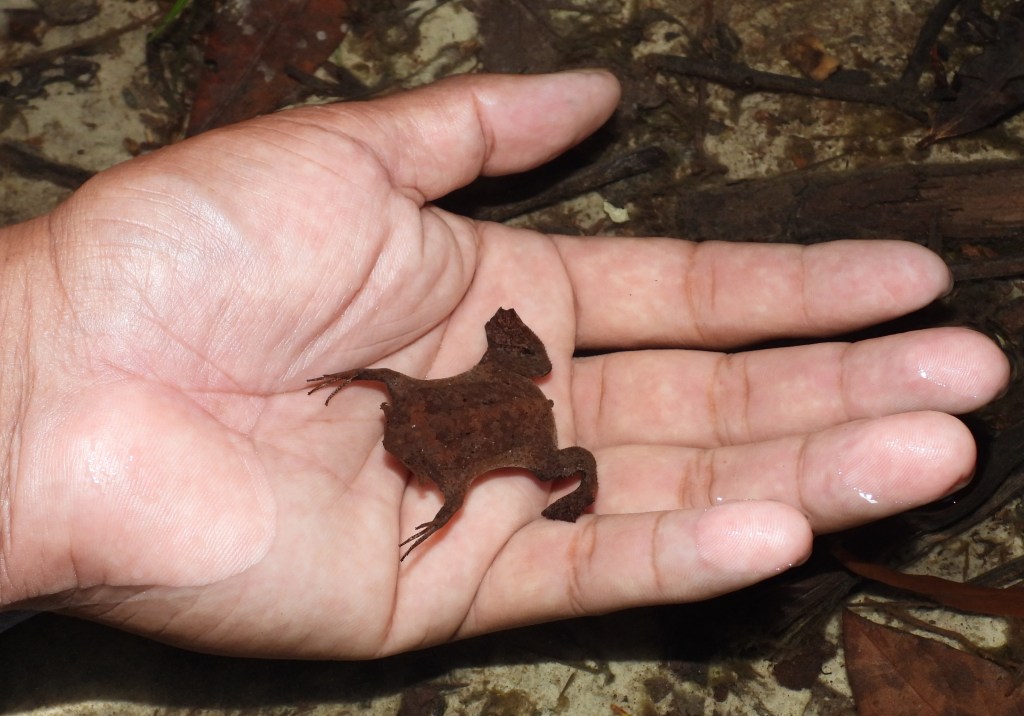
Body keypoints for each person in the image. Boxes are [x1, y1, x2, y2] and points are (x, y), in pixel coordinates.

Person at [0, 71, 1009, 658]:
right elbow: (402, 408)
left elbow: (421, 439)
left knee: (559, 450)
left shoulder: (455, 432)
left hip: (506, 426)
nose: (393, 437)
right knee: (527, 436)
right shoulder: (423, 421)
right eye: (398, 434)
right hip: (491, 420)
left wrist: (439, 479)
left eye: (399, 436)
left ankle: (561, 481)